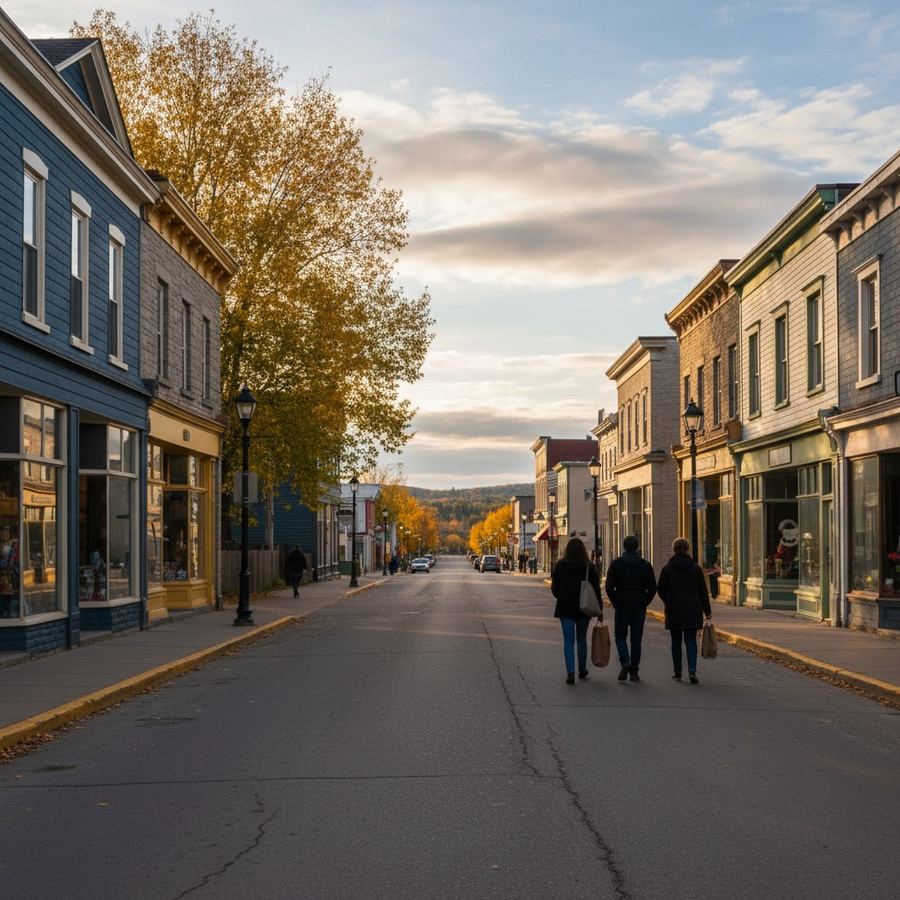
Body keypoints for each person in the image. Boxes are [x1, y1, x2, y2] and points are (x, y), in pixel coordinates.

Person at [657, 537, 712, 684]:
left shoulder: (667, 568)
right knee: (690, 640)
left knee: (676, 641)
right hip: (692, 608)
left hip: (674, 609)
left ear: (674, 549)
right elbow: (703, 591)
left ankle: (678, 671)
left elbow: (660, 589)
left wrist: (668, 600)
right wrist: (707, 611)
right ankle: (692, 671)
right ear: (687, 549)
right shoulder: (695, 569)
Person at [605, 534, 657, 683]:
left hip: (622, 604)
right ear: (637, 547)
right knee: (636, 639)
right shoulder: (645, 565)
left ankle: (625, 661)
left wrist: (615, 601)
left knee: (620, 636)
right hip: (639, 604)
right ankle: (634, 671)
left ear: (624, 547)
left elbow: (609, 587)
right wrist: (645, 601)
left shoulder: (616, 564)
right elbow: (653, 588)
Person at [551, 537, 601, 684]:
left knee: (568, 640)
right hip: (584, 607)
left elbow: (555, 588)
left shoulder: (560, 565)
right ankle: (582, 669)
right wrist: (600, 610)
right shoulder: (588, 566)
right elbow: (596, 589)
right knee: (581, 639)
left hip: (565, 606)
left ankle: (570, 672)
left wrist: (561, 596)